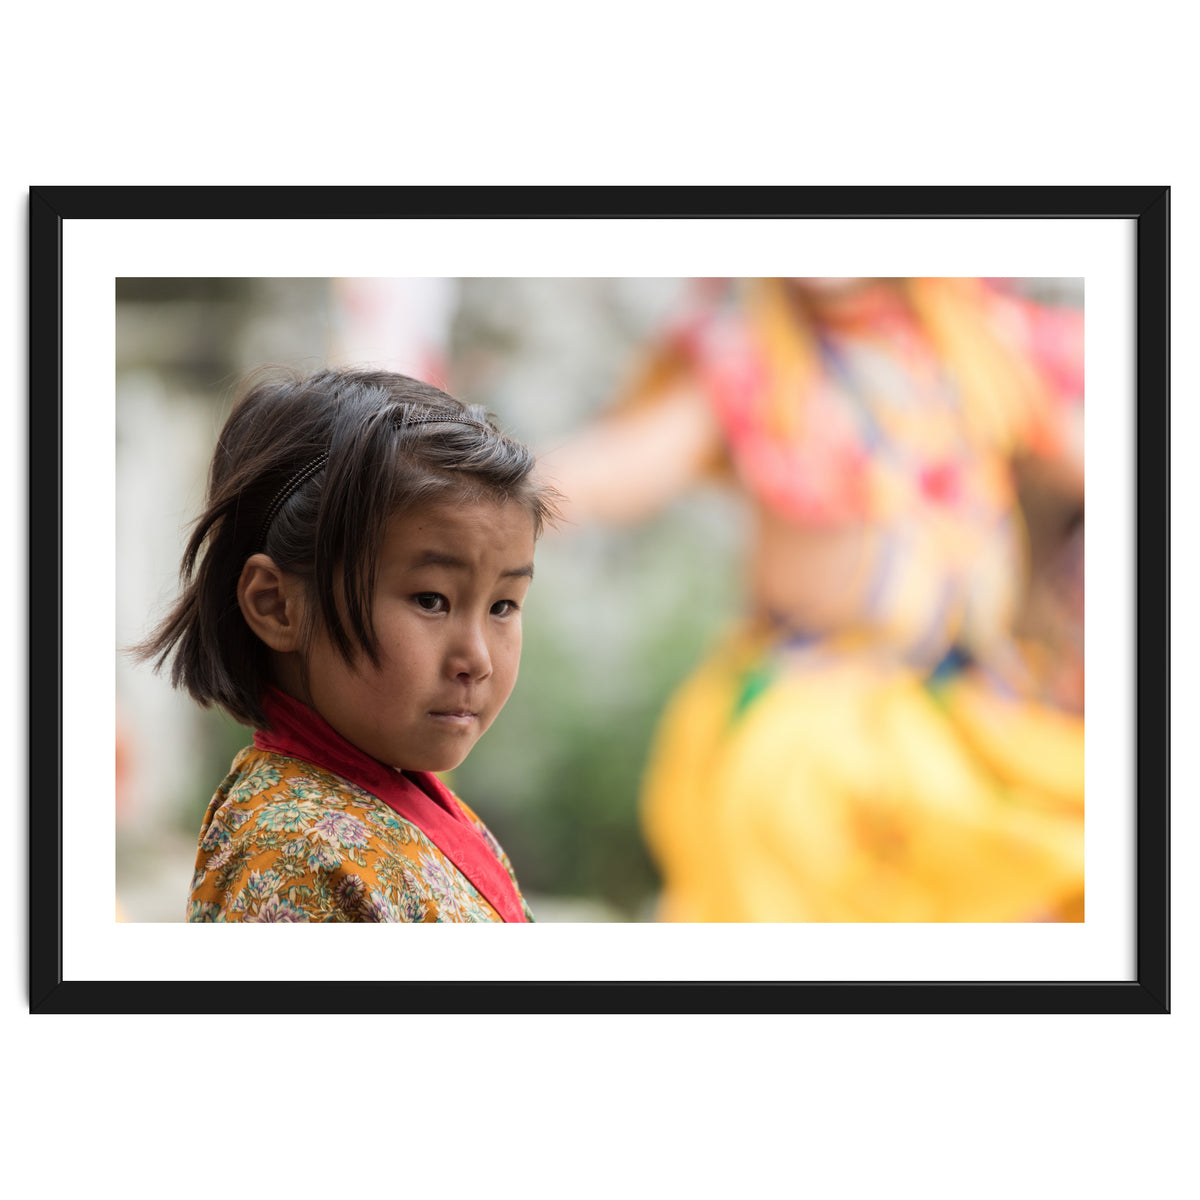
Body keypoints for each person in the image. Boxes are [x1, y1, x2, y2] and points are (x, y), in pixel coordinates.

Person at [541, 277, 1085, 922]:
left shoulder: (976, 345)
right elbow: (622, 467)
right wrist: (491, 492)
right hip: (817, 721)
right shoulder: (749, 356)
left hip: (970, 711)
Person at [135, 368, 559, 922]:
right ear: (276, 605)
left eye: (503, 605)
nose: (477, 659)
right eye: (431, 600)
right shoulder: (294, 856)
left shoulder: (406, 803)